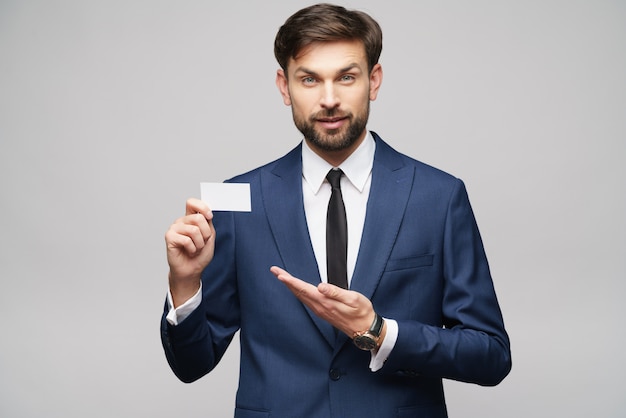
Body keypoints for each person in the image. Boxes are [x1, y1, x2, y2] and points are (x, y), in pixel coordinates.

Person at [161, 3, 511, 417]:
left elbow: (491, 356)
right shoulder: (240, 200)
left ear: (373, 80)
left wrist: (380, 332)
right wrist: (184, 284)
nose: (329, 99)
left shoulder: (439, 196)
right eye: (309, 79)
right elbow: (191, 365)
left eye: (346, 77)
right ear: (284, 86)